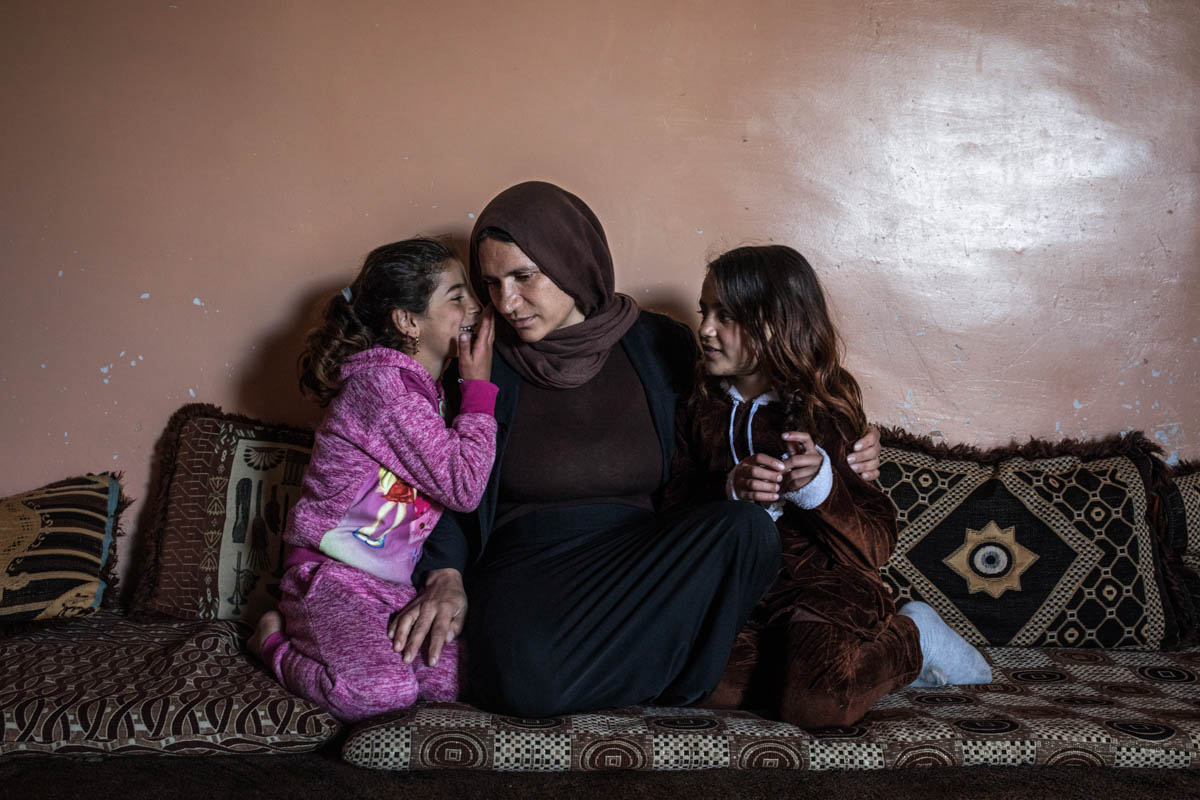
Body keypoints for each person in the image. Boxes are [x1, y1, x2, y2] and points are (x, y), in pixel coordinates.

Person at [389, 182, 886, 717]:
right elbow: (437, 472)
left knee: (745, 531)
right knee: (525, 685)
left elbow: (758, 391)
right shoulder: (481, 356)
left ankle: (651, 674)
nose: (507, 302)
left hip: (644, 562)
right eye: (492, 283)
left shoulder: (658, 344)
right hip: (529, 570)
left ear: (572, 263)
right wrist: (446, 575)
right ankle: (681, 682)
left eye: (524, 277)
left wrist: (849, 437)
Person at [666, 244, 991, 729]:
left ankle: (915, 637)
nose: (706, 330)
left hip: (824, 590)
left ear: (775, 323)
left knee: (818, 705)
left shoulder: (827, 411)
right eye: (704, 312)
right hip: (741, 595)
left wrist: (820, 486)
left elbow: (876, 541)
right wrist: (730, 487)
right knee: (692, 683)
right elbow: (668, 504)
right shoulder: (698, 408)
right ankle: (806, 668)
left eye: (725, 316)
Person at [247, 238, 498, 723]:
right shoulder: (381, 387)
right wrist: (480, 388)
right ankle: (272, 640)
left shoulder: (423, 391)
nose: (475, 307)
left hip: (391, 589)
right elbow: (463, 486)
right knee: (378, 696)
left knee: (453, 684)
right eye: (457, 296)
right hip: (331, 580)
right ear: (407, 321)